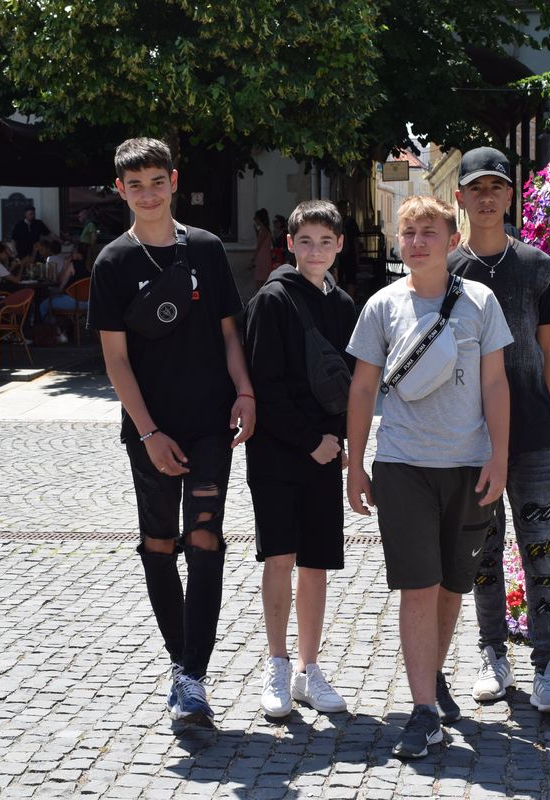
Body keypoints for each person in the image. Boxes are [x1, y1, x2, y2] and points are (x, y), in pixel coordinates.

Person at [87, 136, 255, 725]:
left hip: (210, 422)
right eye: (136, 185)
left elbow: (230, 332)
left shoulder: (206, 249)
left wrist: (245, 390)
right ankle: (180, 662)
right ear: (120, 190)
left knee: (204, 540)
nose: (148, 194)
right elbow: (116, 361)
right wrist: (149, 432)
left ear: (174, 181)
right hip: (150, 430)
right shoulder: (112, 262)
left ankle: (193, 675)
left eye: (157, 182)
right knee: (158, 545)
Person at [346, 195, 511, 759]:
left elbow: (495, 383)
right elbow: (363, 388)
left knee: (451, 586)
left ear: (451, 239)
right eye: (409, 233)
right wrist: (355, 464)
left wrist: (499, 457)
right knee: (417, 586)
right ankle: (422, 712)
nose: (417, 242)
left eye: (428, 232)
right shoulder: (382, 305)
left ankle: (433, 675)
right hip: (403, 466)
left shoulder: (481, 301)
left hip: (468, 466)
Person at [448, 146, 550, 714]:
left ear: (510, 195)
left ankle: (549, 664)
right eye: (476, 188)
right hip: (470, 434)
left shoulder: (536, 265)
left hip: (531, 433)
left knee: (541, 548)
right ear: (460, 197)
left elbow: (547, 346)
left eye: (496, 187)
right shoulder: (449, 269)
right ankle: (492, 652)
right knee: (484, 551)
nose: (487, 197)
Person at [244, 200, 357, 719]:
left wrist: (340, 440)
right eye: (306, 241)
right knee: (280, 557)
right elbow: (264, 386)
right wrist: (312, 440)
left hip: (324, 453)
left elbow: (351, 383)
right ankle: (277, 664)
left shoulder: (345, 305)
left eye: (325, 242)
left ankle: (310, 671)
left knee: (316, 563)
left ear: (339, 246)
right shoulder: (272, 300)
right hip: (277, 452)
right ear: (289, 244)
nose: (316, 251)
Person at [38, 242, 91, 337]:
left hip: (73, 302)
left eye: (73, 252)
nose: (71, 254)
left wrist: (65, 265)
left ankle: (58, 329)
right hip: (88, 303)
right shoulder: (92, 266)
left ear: (78, 254)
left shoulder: (72, 265)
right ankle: (65, 325)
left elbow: (60, 282)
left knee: (43, 306)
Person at [337, 200, 360, 295]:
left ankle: (337, 299)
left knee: (338, 278)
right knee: (351, 279)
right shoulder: (351, 222)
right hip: (350, 254)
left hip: (337, 254)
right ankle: (351, 299)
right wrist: (357, 256)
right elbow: (356, 240)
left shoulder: (335, 222)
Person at [251, 208, 273, 288]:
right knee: (263, 280)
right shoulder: (265, 230)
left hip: (262, 258)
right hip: (265, 256)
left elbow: (259, 246)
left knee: (259, 282)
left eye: (256, 218)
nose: (254, 220)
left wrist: (253, 258)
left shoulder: (263, 230)